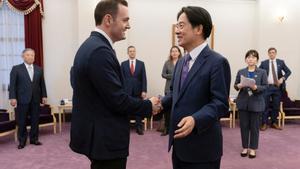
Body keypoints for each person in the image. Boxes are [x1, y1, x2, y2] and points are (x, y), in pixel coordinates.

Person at [69, 1, 160, 169]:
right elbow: (117, 100)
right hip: (105, 139)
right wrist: (148, 105)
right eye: (125, 20)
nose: (128, 25)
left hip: (99, 134)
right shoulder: (99, 51)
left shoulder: (92, 45)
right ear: (108, 20)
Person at [161, 6, 231, 169]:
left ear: (199, 28)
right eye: (176, 26)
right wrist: (159, 103)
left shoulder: (217, 62)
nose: (177, 31)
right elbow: (175, 94)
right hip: (179, 147)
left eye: (181, 25)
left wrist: (195, 119)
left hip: (202, 150)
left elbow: (220, 103)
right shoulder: (181, 61)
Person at [9, 48, 47, 149]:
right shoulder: (16, 69)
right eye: (28, 55)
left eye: (32, 55)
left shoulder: (39, 69)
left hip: (35, 99)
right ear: (23, 56)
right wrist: (12, 97)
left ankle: (34, 139)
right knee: (22, 121)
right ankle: (22, 141)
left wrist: (44, 96)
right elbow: (12, 85)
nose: (30, 57)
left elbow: (42, 84)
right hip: (22, 99)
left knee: (35, 120)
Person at [234, 50, 268, 158]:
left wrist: (256, 87)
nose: (251, 59)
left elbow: (265, 87)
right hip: (243, 102)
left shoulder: (262, 72)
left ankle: (253, 149)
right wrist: (238, 86)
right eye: (248, 57)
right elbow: (235, 85)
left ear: (257, 60)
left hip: (256, 103)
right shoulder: (241, 71)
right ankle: (245, 147)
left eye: (253, 57)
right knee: (243, 126)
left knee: (254, 127)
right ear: (245, 59)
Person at [259, 47, 291, 131]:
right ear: (268, 54)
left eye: (273, 52)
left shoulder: (281, 62)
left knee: (276, 106)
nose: (271, 54)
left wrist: (283, 78)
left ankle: (274, 123)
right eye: (270, 53)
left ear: (276, 53)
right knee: (265, 106)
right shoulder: (264, 63)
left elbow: (288, 72)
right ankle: (264, 123)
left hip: (277, 88)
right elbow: (259, 73)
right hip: (267, 87)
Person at [121, 46, 147, 135]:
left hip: (138, 90)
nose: (132, 52)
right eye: (130, 51)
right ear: (128, 53)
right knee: (127, 108)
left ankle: (139, 127)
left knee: (138, 108)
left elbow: (144, 78)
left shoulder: (141, 64)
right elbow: (121, 78)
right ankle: (125, 127)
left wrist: (144, 90)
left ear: (135, 52)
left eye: (133, 51)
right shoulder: (123, 64)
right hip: (126, 90)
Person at [161, 46, 182, 136]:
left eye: (176, 51)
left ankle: (178, 128)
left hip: (180, 89)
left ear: (179, 53)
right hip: (168, 89)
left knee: (179, 109)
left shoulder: (183, 62)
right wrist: (175, 75)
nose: (174, 53)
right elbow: (163, 74)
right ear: (170, 53)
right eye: (172, 51)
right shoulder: (167, 63)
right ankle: (167, 128)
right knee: (167, 110)